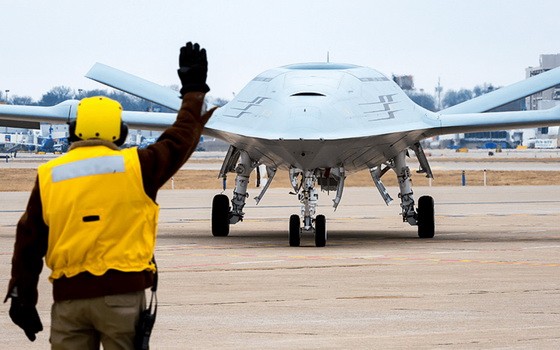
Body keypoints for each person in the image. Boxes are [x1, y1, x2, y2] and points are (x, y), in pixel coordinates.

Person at [5, 41, 214, 349]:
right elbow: (181, 137)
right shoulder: (137, 167)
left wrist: (23, 296)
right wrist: (193, 93)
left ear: (75, 131)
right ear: (121, 133)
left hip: (69, 301)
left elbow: (28, 242)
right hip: (122, 298)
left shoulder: (50, 175)